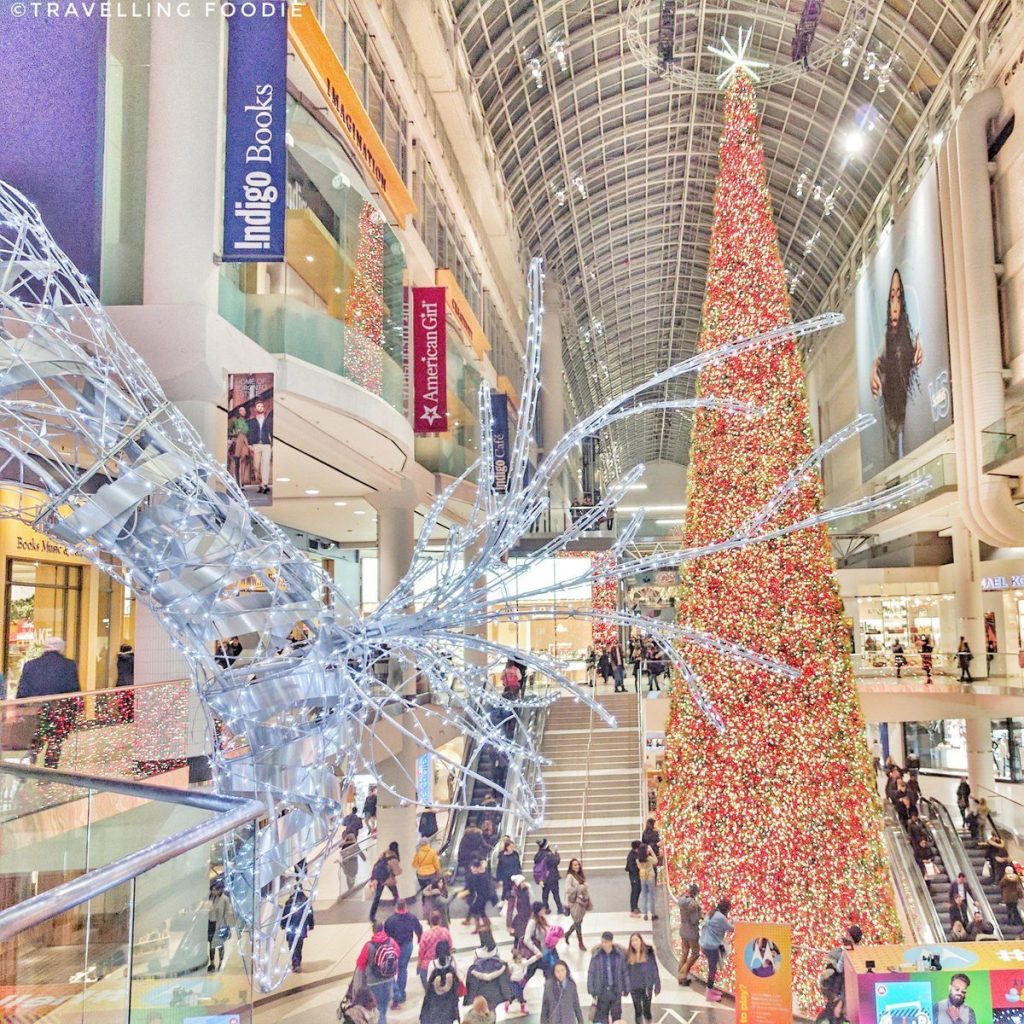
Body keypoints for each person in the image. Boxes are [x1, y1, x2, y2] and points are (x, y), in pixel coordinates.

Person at [868, 267, 924, 460]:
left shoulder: (910, 336)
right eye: (892, 298)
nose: (894, 306)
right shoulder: (886, 343)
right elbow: (877, 359)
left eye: (899, 298)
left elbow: (918, 335)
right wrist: (873, 370)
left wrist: (920, 339)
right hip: (893, 419)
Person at [16, 636, 81, 769]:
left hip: (36, 710)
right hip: (59, 710)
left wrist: (20, 708)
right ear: (61, 648)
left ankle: (27, 765)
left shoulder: (30, 665)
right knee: (55, 742)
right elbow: (74, 689)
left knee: (36, 740)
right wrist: (76, 710)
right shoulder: (69, 665)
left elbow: (22, 690)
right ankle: (48, 773)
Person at [357, 925, 401, 1024]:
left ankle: (381, 1020)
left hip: (373, 981)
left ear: (373, 931)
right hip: (388, 978)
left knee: (377, 1004)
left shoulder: (368, 945)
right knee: (384, 1003)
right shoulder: (391, 941)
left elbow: (360, 963)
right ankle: (383, 1019)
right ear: (383, 930)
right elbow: (397, 953)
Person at [384, 899, 423, 1008]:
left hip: (393, 948)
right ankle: (401, 994)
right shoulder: (412, 917)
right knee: (402, 969)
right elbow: (419, 930)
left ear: (396, 907)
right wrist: (419, 939)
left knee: (391, 971)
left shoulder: (390, 920)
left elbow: (385, 936)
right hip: (407, 946)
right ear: (405, 907)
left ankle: (394, 993)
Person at [586, 931, 628, 1024]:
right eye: (602, 942)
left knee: (616, 1016)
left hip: (615, 991)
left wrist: (626, 987)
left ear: (611, 942)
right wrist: (591, 988)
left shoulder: (618, 956)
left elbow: (624, 972)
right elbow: (591, 973)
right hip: (602, 992)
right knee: (602, 1017)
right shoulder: (596, 956)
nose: (603, 944)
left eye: (605, 942)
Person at [698, 898, 734, 1002]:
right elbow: (730, 928)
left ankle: (710, 989)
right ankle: (709, 994)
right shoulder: (721, 917)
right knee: (712, 968)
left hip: (704, 943)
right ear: (726, 909)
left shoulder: (712, 913)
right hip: (711, 946)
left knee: (712, 968)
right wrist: (734, 922)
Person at [420, 939, 460, 1024]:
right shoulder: (453, 961)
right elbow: (458, 977)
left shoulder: (432, 963)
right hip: (450, 998)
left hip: (435, 999)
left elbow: (428, 980)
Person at [625, 933, 660, 1024]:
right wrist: (625, 987)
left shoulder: (648, 952)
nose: (634, 943)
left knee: (647, 1010)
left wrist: (657, 984)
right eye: (632, 941)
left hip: (646, 986)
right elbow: (625, 972)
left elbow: (654, 968)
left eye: (636, 940)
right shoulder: (628, 955)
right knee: (637, 1010)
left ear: (641, 940)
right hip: (634, 986)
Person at [464, 947, 513, 1012]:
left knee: (482, 1014)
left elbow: (473, 986)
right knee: (492, 1012)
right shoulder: (499, 965)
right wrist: (508, 997)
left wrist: (470, 1000)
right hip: (495, 995)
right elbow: (503, 983)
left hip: (481, 995)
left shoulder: (476, 967)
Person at [281, 885, 314, 973]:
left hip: (291, 928)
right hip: (301, 928)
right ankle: (297, 962)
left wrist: (283, 925)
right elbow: (310, 914)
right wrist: (311, 925)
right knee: (299, 945)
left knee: (292, 946)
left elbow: (285, 915)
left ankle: (295, 963)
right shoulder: (306, 901)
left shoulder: (289, 902)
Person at [417, 910, 452, 990]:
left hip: (428, 965)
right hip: (443, 963)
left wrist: (418, 965)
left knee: (428, 989)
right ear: (439, 920)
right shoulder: (446, 932)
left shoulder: (426, 934)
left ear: (429, 921)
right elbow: (450, 946)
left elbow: (421, 952)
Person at [540, 960, 584, 1024]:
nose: (560, 974)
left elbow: (576, 1005)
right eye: (557, 971)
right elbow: (545, 1007)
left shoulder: (571, 985)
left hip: (568, 1020)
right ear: (554, 972)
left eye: (562, 970)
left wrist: (581, 1021)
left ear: (566, 971)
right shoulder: (548, 985)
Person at [246, 399, 273, 494]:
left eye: (262, 406)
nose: (260, 408)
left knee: (265, 464)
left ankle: (264, 484)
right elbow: (249, 433)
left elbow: (272, 432)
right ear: (255, 409)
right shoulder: (251, 421)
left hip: (266, 444)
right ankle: (260, 482)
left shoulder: (269, 420)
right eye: (258, 406)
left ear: (264, 408)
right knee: (256, 466)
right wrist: (249, 445)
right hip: (256, 445)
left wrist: (273, 444)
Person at [676, 884, 701, 985]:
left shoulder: (681, 900)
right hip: (691, 932)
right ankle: (683, 974)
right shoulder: (693, 904)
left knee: (685, 953)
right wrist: (699, 914)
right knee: (695, 953)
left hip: (683, 930)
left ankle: (680, 976)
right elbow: (694, 920)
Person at [564, 859, 592, 950]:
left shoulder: (580, 875)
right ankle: (580, 943)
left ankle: (567, 934)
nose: (576, 866)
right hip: (574, 903)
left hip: (581, 902)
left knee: (578, 921)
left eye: (577, 865)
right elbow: (568, 890)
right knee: (578, 923)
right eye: (574, 865)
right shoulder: (570, 877)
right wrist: (581, 887)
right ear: (571, 866)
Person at [368, 848, 401, 924]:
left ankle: (371, 916)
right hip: (388, 879)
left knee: (377, 898)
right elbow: (397, 872)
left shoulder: (383, 855)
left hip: (379, 880)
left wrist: (373, 878)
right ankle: (399, 912)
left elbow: (376, 866)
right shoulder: (393, 858)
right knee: (396, 895)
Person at [207, 880, 233, 972]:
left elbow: (227, 913)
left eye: (214, 890)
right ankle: (212, 963)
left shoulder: (225, 899)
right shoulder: (210, 897)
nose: (213, 892)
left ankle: (221, 962)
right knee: (211, 944)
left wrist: (227, 926)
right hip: (210, 923)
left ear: (219, 890)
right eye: (212, 890)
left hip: (220, 924)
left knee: (219, 944)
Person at [534, 839, 564, 915]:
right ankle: (559, 908)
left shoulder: (538, 855)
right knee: (556, 893)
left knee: (545, 894)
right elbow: (556, 861)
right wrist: (556, 853)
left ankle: (545, 908)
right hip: (552, 876)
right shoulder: (548, 854)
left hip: (543, 878)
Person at [507, 875, 532, 953]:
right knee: (518, 937)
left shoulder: (527, 891)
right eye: (522, 882)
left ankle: (523, 952)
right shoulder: (513, 894)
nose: (524, 883)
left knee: (525, 936)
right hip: (518, 919)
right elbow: (510, 910)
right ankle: (516, 953)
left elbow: (530, 903)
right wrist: (509, 925)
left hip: (526, 917)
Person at [227, 404, 250, 485]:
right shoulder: (235, 420)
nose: (243, 412)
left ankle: (241, 482)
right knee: (237, 462)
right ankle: (236, 482)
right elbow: (229, 431)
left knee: (243, 461)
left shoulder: (246, 422)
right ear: (238, 411)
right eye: (241, 410)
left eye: (244, 410)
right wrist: (234, 433)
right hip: (238, 440)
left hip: (245, 441)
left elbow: (247, 433)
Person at [496, 838, 522, 903]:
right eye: (511, 847)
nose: (512, 848)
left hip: (515, 875)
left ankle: (512, 902)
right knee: (506, 889)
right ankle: (503, 900)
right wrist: (499, 878)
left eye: (513, 847)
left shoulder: (515, 854)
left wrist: (519, 873)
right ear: (507, 847)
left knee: (515, 890)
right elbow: (499, 867)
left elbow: (518, 864)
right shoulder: (502, 856)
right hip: (506, 876)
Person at [636, 843, 657, 921]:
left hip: (642, 877)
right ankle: (653, 913)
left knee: (644, 895)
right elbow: (656, 861)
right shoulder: (649, 859)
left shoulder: (638, 860)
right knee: (652, 896)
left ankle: (645, 913)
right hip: (650, 877)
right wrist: (651, 851)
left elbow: (639, 867)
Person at [625, 840, 642, 917]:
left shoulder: (635, 854)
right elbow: (631, 867)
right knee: (635, 891)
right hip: (634, 875)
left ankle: (635, 906)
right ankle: (633, 909)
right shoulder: (632, 856)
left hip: (636, 875)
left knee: (638, 889)